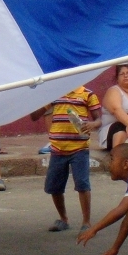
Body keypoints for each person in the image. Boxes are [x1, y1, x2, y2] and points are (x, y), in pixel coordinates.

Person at [30, 86, 101, 232]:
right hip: (57, 147)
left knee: (82, 184)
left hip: (79, 147)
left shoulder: (88, 94)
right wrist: (39, 100)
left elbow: (99, 118)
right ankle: (63, 218)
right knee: (55, 187)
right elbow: (34, 116)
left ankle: (86, 222)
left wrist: (93, 124)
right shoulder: (55, 92)